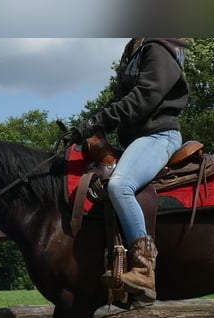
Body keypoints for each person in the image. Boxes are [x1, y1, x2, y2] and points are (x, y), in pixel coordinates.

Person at [70, 38, 189, 303]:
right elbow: (120, 100)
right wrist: (91, 126)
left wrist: (96, 121)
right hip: (138, 139)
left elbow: (144, 97)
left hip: (159, 136)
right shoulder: (134, 50)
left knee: (119, 186)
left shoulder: (158, 48)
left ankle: (145, 270)